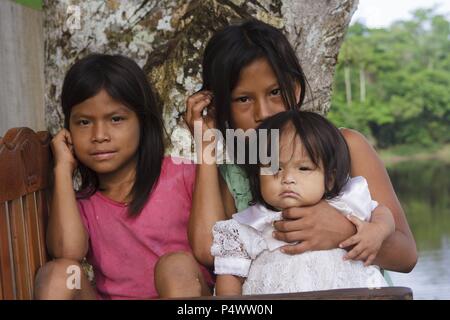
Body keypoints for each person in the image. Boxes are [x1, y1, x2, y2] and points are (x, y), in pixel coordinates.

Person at [183, 19, 417, 290]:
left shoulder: (347, 146)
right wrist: (206, 143)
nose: (264, 113)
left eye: (275, 92)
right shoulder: (230, 174)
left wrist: (344, 232)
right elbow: (207, 251)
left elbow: (406, 256)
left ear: (294, 89)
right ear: (220, 106)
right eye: (243, 99)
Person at [33, 54, 212, 300]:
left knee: (176, 266)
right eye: (84, 122)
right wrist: (63, 170)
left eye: (116, 119)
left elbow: (215, 246)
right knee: (60, 272)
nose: (99, 135)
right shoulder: (82, 204)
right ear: (69, 130)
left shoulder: (182, 175)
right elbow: (68, 252)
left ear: (143, 121)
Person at [211, 110, 395, 295]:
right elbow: (230, 278)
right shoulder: (250, 226)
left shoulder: (344, 204)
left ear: (329, 178)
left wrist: (377, 231)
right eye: (275, 168)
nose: (288, 178)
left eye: (304, 168)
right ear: (258, 177)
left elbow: (382, 211)